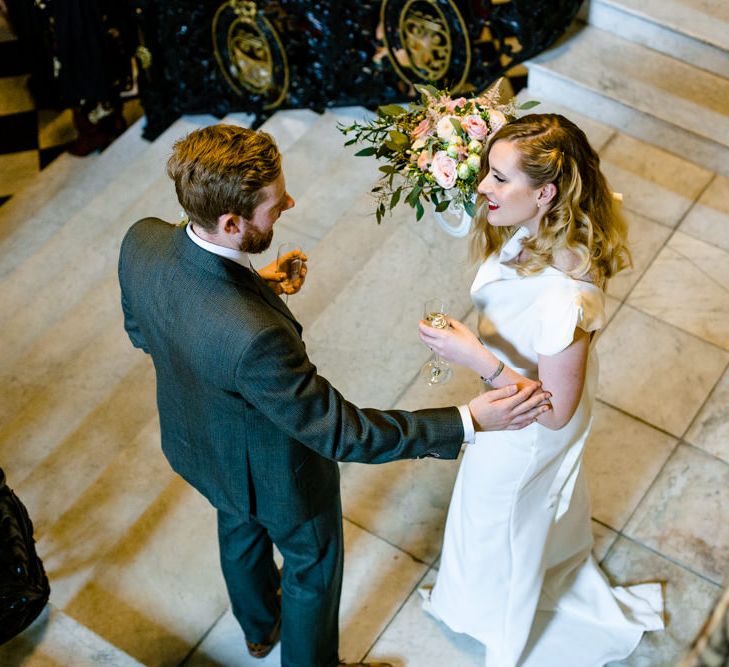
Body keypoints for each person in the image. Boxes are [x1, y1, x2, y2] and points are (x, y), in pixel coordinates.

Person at [117, 123, 550, 667]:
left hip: (199, 448)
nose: (290, 203)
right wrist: (466, 420)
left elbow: (148, 331)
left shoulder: (144, 241)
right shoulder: (254, 338)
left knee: (236, 524)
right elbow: (344, 432)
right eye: (274, 205)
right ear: (231, 223)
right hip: (283, 477)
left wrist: (255, 287)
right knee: (311, 569)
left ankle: (258, 628)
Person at [417, 113, 664, 667]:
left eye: (499, 179)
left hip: (528, 423)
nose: (483, 186)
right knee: (512, 517)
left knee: (499, 520)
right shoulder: (554, 221)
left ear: (546, 191)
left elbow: (552, 413)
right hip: (529, 388)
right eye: (487, 170)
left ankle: (502, 628)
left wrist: (476, 358)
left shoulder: (564, 301)